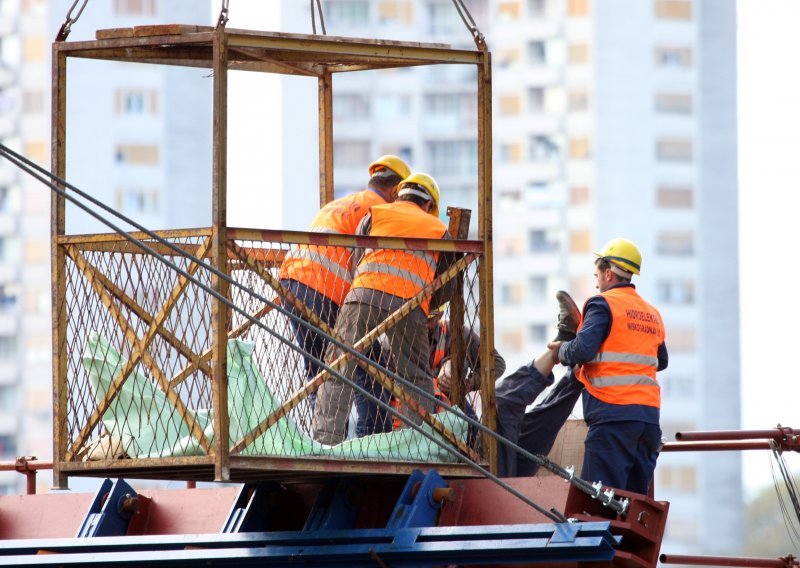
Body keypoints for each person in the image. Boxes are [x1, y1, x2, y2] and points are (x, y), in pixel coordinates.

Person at [498, 238, 668, 496]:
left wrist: (562, 350)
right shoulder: (651, 313)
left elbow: (583, 350)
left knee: (599, 503)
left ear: (608, 273)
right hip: (648, 422)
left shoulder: (603, 304)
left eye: (597, 276)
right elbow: (661, 360)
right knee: (633, 504)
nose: (596, 282)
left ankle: (563, 337)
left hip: (613, 420)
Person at [312, 173, 453, 444]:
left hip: (364, 295)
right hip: (410, 304)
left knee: (339, 365)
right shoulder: (438, 229)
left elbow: (357, 260)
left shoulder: (374, 216)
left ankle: (325, 441)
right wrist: (424, 304)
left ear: (400, 196)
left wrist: (364, 291)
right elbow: (448, 283)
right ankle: (414, 443)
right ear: (427, 205)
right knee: (415, 376)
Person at [278, 155, 411, 406]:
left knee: (319, 370)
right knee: (371, 375)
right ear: (395, 191)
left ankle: (321, 442)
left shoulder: (341, 203)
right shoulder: (380, 212)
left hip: (292, 281)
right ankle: (369, 441)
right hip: (324, 291)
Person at [354, 304, 507, 437]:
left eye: (429, 319)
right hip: (403, 416)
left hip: (446, 410)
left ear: (440, 314)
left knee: (473, 428)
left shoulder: (454, 334)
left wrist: (469, 383)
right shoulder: (392, 340)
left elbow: (497, 364)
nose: (423, 324)